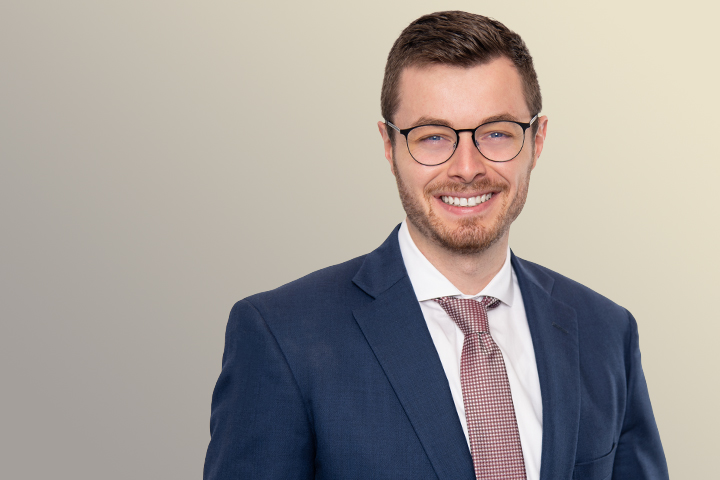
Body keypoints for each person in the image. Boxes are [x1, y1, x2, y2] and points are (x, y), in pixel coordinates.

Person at [204, 11, 668, 480]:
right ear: (389, 146)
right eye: (433, 137)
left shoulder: (606, 333)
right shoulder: (283, 336)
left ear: (537, 140)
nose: (467, 168)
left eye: (496, 133)